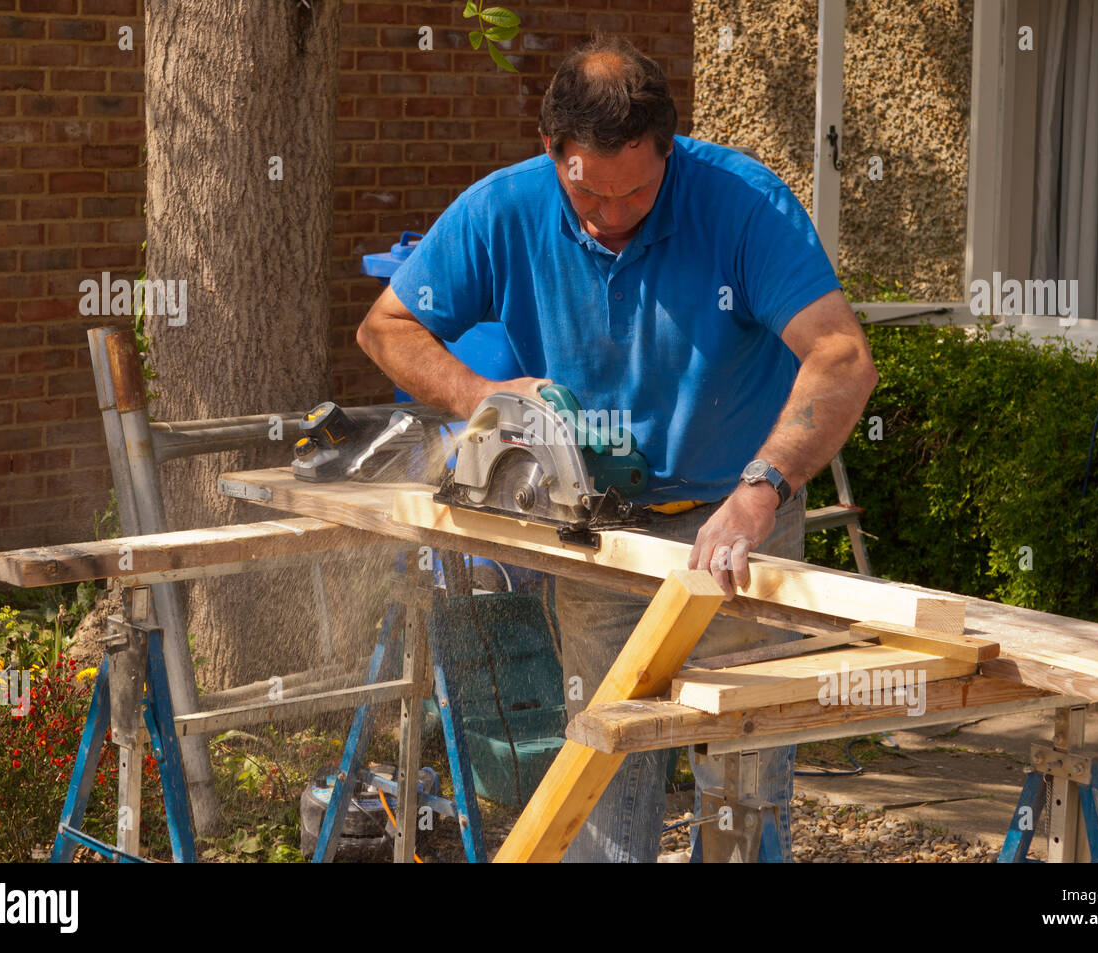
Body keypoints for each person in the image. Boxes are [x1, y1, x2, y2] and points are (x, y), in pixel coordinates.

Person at [356, 35, 878, 862]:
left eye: (635, 192)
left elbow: (841, 357)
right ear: (553, 150)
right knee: (602, 772)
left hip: (736, 523)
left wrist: (764, 484)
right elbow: (386, 325)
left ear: (668, 150)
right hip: (596, 532)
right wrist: (481, 399)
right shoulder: (505, 209)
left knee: (741, 783)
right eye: (588, 195)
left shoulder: (742, 204)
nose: (609, 215)